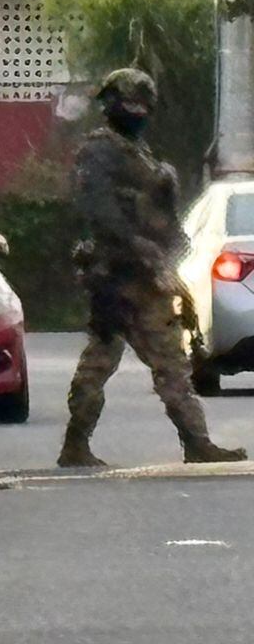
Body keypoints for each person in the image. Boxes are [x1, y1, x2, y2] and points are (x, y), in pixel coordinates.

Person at [58, 68, 246, 468]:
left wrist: (171, 243)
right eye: (130, 103)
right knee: (116, 361)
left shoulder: (139, 154)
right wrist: (137, 246)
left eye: (143, 105)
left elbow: (159, 217)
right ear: (111, 105)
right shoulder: (99, 151)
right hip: (116, 276)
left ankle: (194, 442)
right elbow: (100, 212)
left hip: (146, 276)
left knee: (155, 363)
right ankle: (79, 444)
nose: (138, 111)